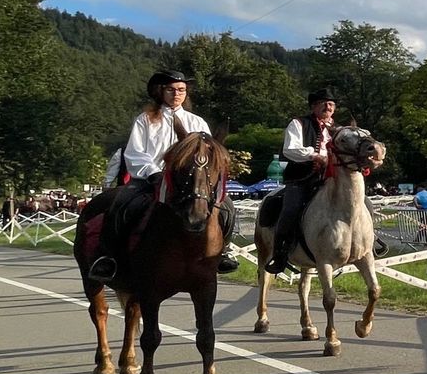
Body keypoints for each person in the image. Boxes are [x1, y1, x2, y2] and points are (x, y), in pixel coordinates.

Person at [87, 69, 239, 281]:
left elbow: (208, 155)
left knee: (228, 207)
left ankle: (222, 251)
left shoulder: (198, 123)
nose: (176, 94)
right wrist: (154, 173)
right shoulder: (145, 120)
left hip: (187, 183)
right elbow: (134, 153)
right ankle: (108, 257)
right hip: (150, 179)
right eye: (171, 89)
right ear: (161, 92)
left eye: (181, 90)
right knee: (120, 204)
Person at [263, 88, 337, 275]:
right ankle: (280, 254)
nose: (328, 107)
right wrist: (315, 155)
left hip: (330, 181)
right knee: (290, 209)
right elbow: (290, 149)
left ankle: (367, 244)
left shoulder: (338, 130)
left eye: (331, 104)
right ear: (313, 106)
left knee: (359, 203)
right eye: (323, 103)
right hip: (302, 180)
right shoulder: (299, 124)